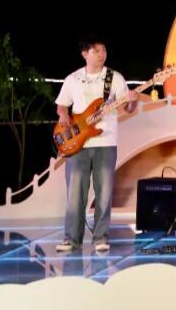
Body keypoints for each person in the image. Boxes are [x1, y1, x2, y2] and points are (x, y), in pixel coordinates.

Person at [55, 35, 139, 253]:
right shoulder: (73, 79)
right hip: (78, 143)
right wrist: (63, 116)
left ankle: (100, 238)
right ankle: (71, 239)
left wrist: (133, 100)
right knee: (75, 194)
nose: (102, 54)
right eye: (97, 51)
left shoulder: (115, 78)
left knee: (104, 193)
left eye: (104, 50)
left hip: (106, 141)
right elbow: (62, 105)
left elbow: (128, 109)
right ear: (85, 54)